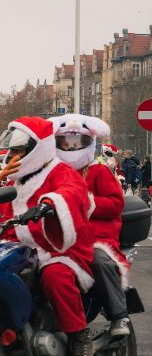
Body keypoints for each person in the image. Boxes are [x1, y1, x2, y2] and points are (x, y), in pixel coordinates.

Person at [0, 116, 94, 356]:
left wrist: (50, 204)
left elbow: (73, 192)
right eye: (11, 151)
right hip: (23, 250)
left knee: (55, 276)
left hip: (60, 250)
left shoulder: (61, 171)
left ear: (36, 148)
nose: (12, 156)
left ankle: (78, 334)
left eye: (18, 150)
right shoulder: (17, 181)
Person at [51, 114, 130, 340]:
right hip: (60, 237)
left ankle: (118, 314)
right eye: (66, 143)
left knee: (99, 260)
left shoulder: (99, 171)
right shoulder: (54, 172)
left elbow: (116, 203)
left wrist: (89, 202)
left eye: (77, 143)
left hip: (96, 236)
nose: (71, 147)